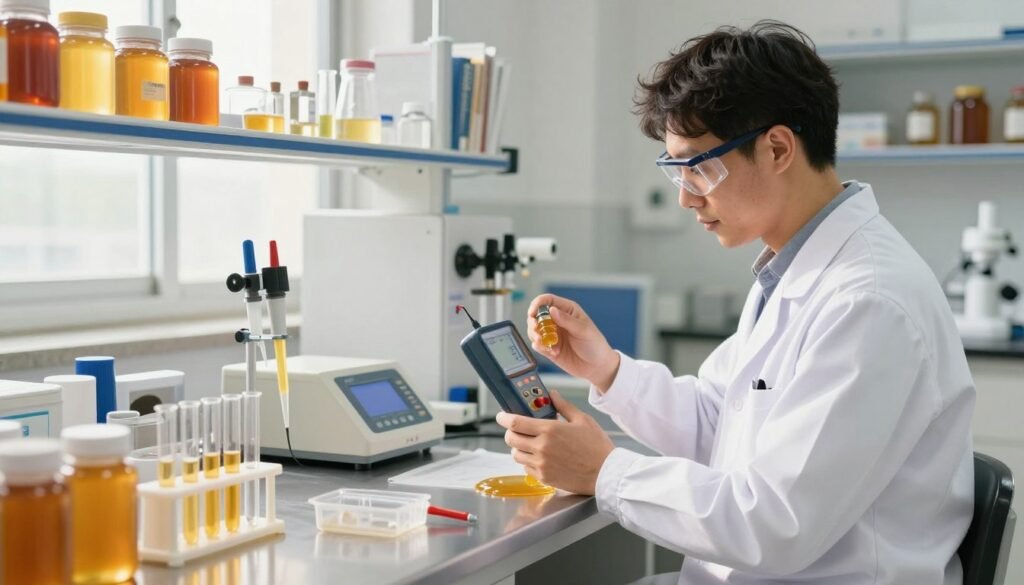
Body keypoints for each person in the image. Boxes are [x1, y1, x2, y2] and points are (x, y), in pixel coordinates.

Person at [496, 21, 975, 584]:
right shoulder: (793, 270)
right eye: (674, 169)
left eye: (697, 166)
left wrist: (605, 472)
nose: (684, 196)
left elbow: (774, 524)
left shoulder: (867, 302)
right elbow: (721, 422)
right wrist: (607, 369)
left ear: (776, 148)